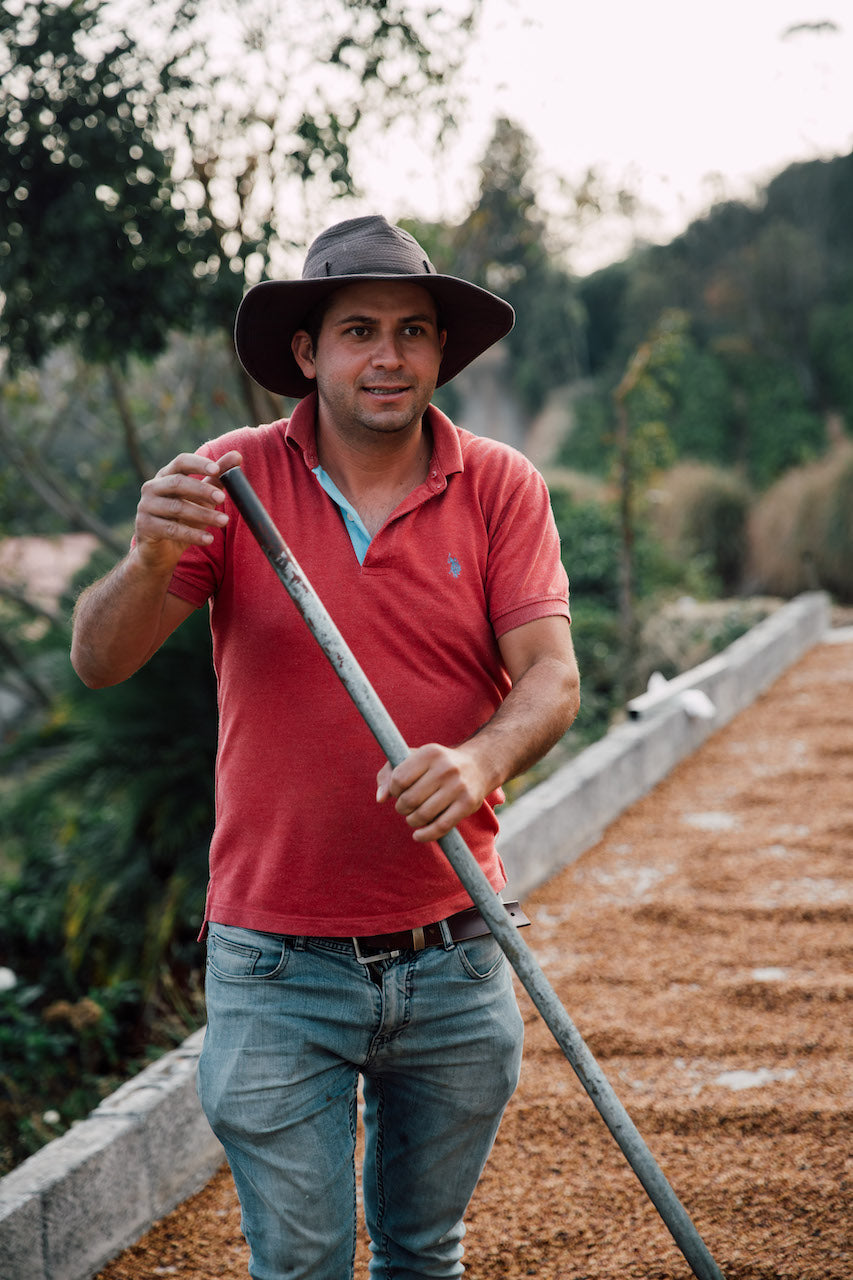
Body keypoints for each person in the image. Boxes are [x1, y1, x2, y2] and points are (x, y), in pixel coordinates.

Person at [71, 214, 580, 1280]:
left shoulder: (499, 485)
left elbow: (550, 675)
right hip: (275, 959)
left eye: (411, 331)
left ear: (441, 351)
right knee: (300, 1263)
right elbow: (100, 659)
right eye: (358, 330)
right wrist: (149, 552)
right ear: (308, 353)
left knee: (421, 1251)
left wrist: (481, 759)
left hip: (454, 943)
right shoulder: (228, 481)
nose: (386, 356)